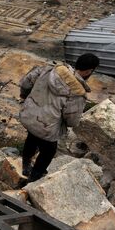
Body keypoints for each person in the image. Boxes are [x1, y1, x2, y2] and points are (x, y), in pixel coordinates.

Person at [19, 53, 100, 182]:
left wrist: (24, 96)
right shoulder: (78, 92)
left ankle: (25, 165)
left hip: (29, 116)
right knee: (48, 151)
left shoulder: (50, 69)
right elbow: (72, 120)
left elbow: (26, 83)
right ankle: (34, 178)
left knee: (32, 137)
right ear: (89, 71)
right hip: (47, 128)